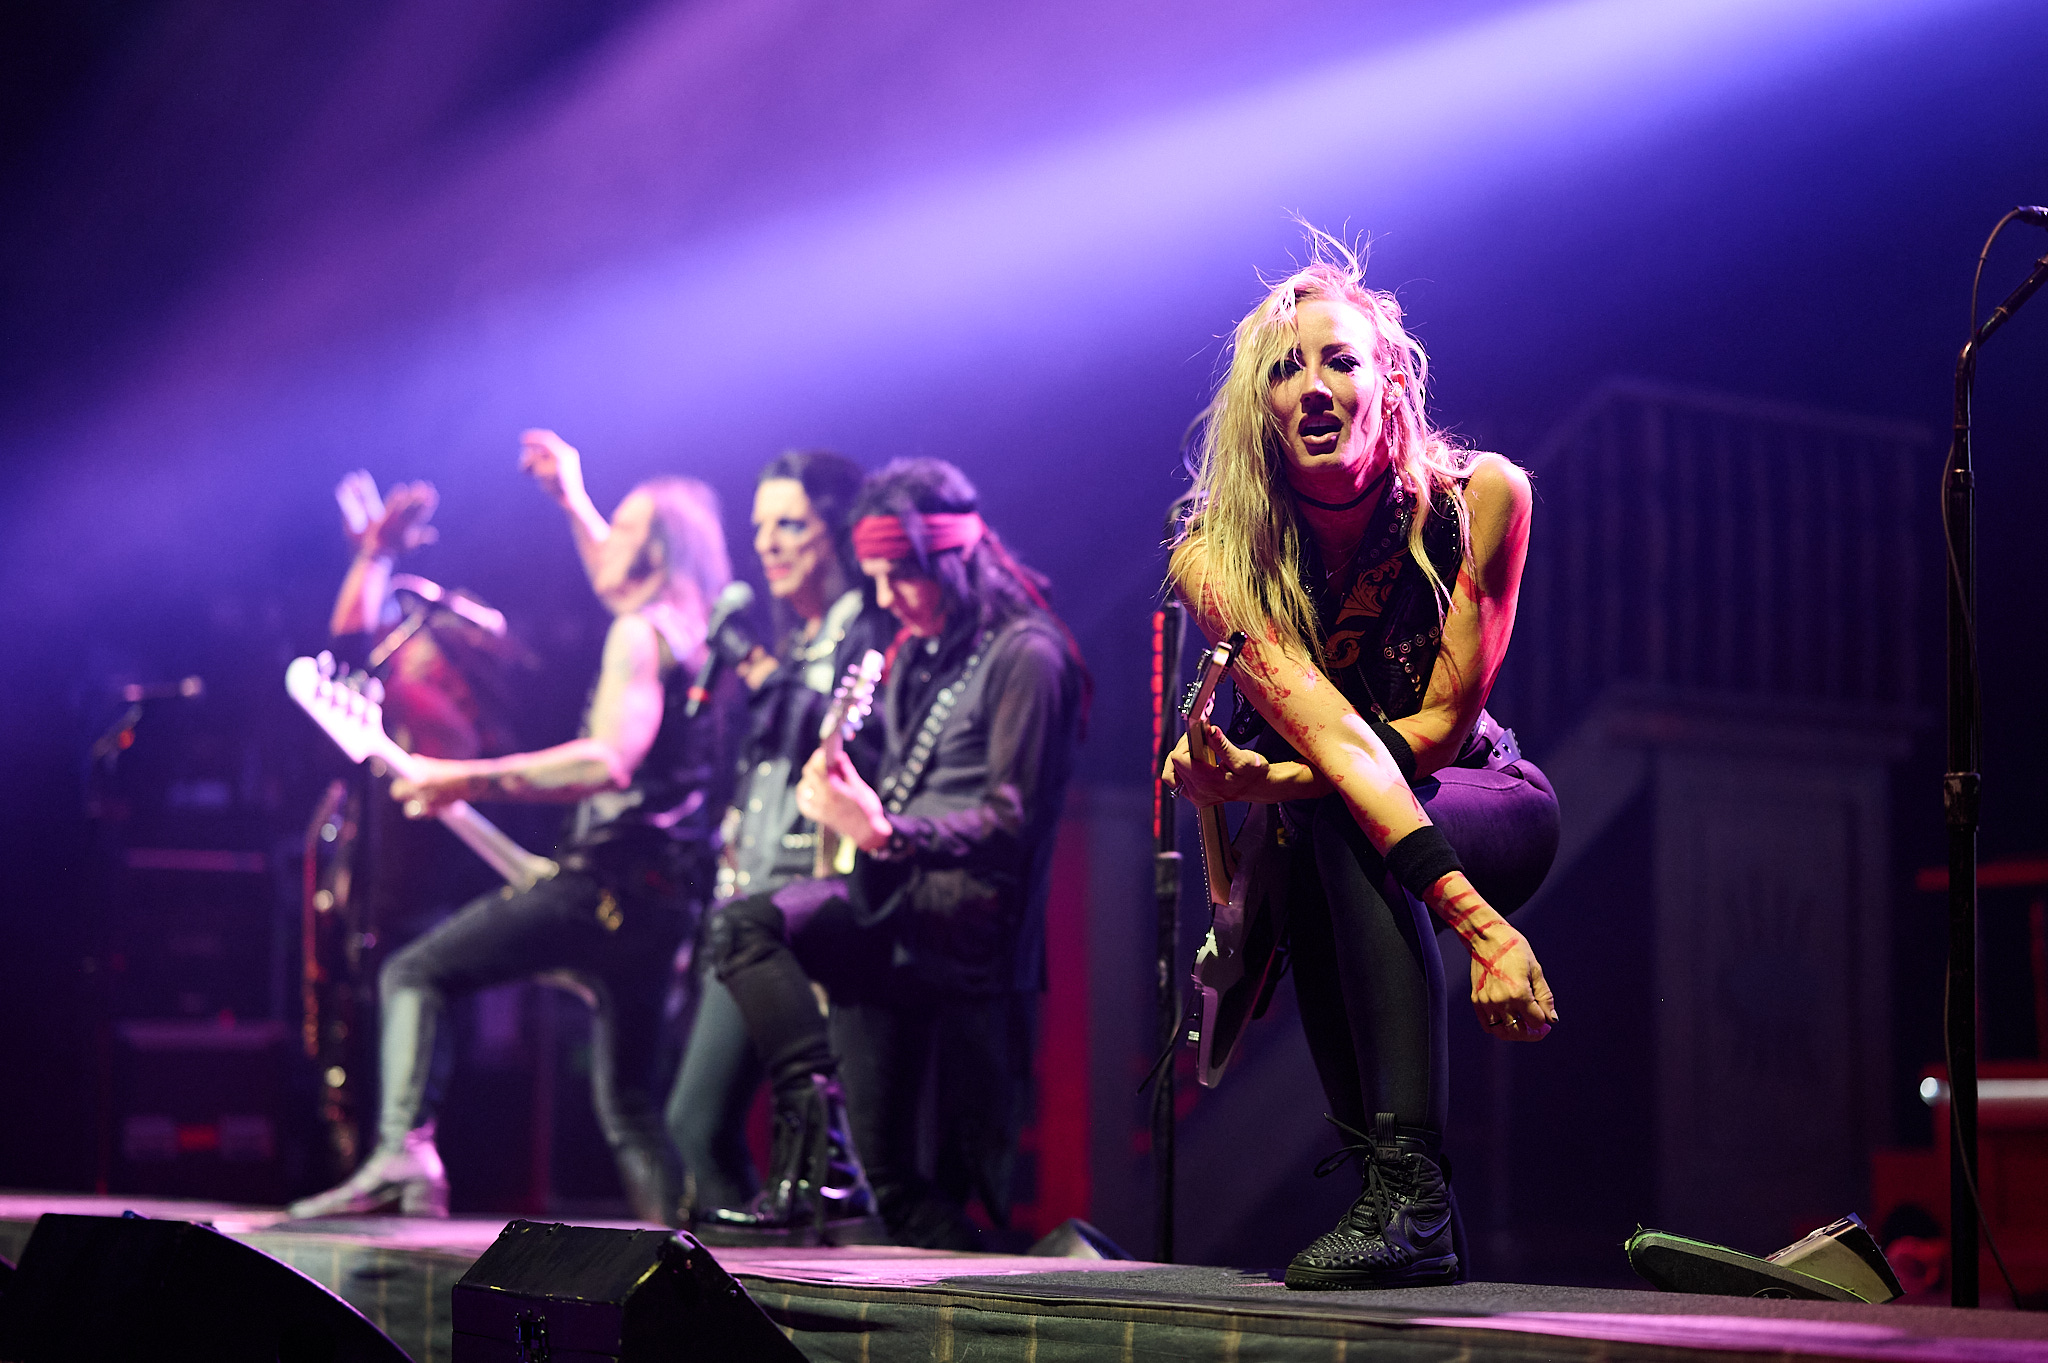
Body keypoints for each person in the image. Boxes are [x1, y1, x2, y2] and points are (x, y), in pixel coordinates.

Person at [1164, 233, 1560, 1290]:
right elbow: (1335, 745)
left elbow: (1437, 727)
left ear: (1389, 380)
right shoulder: (1220, 559)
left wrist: (1483, 925)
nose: (1312, 385)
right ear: (1259, 410)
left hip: (1482, 796)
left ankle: (1411, 1198)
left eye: (1338, 359)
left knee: (1334, 816)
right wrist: (1268, 786)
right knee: (1323, 831)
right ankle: (1398, 1201)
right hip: (1345, 819)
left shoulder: (1481, 500)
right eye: (1283, 370)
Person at [288, 431, 740, 1224]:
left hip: (605, 886)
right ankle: (692, 1260)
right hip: (665, 901)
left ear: (656, 553)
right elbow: (615, 571)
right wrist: (572, 495)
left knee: (415, 972)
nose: (606, 543)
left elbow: (608, 760)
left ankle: (401, 1155)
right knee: (633, 1106)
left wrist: (461, 777)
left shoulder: (640, 634)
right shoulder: (700, 637)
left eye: (624, 529)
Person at [695, 458, 1087, 1248]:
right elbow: (897, 787)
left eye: (900, 574)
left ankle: (1024, 1283)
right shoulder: (916, 651)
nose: (884, 597)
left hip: (966, 937)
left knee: (920, 1194)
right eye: (873, 576)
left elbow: (1012, 819)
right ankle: (819, 1139)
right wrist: (847, 791)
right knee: (742, 927)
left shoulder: (1030, 654)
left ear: (953, 555)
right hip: (894, 910)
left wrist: (883, 830)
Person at [664, 449, 894, 1220]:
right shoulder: (796, 641)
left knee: (741, 1127)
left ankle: (754, 1275)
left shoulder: (868, 631)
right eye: (760, 526)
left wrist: (761, 669)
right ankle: (732, 1272)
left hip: (810, 907)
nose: (766, 543)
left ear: (838, 531)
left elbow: (843, 749)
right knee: (696, 1125)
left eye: (790, 524)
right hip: (744, 903)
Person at [312, 472, 525, 1178]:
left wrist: (377, 559)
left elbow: (355, 644)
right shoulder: (402, 686)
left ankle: (410, 1158)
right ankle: (374, 1157)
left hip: (438, 890)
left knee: (422, 1002)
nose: (401, 637)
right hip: (386, 892)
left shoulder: (456, 694)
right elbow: (353, 648)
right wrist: (370, 558)